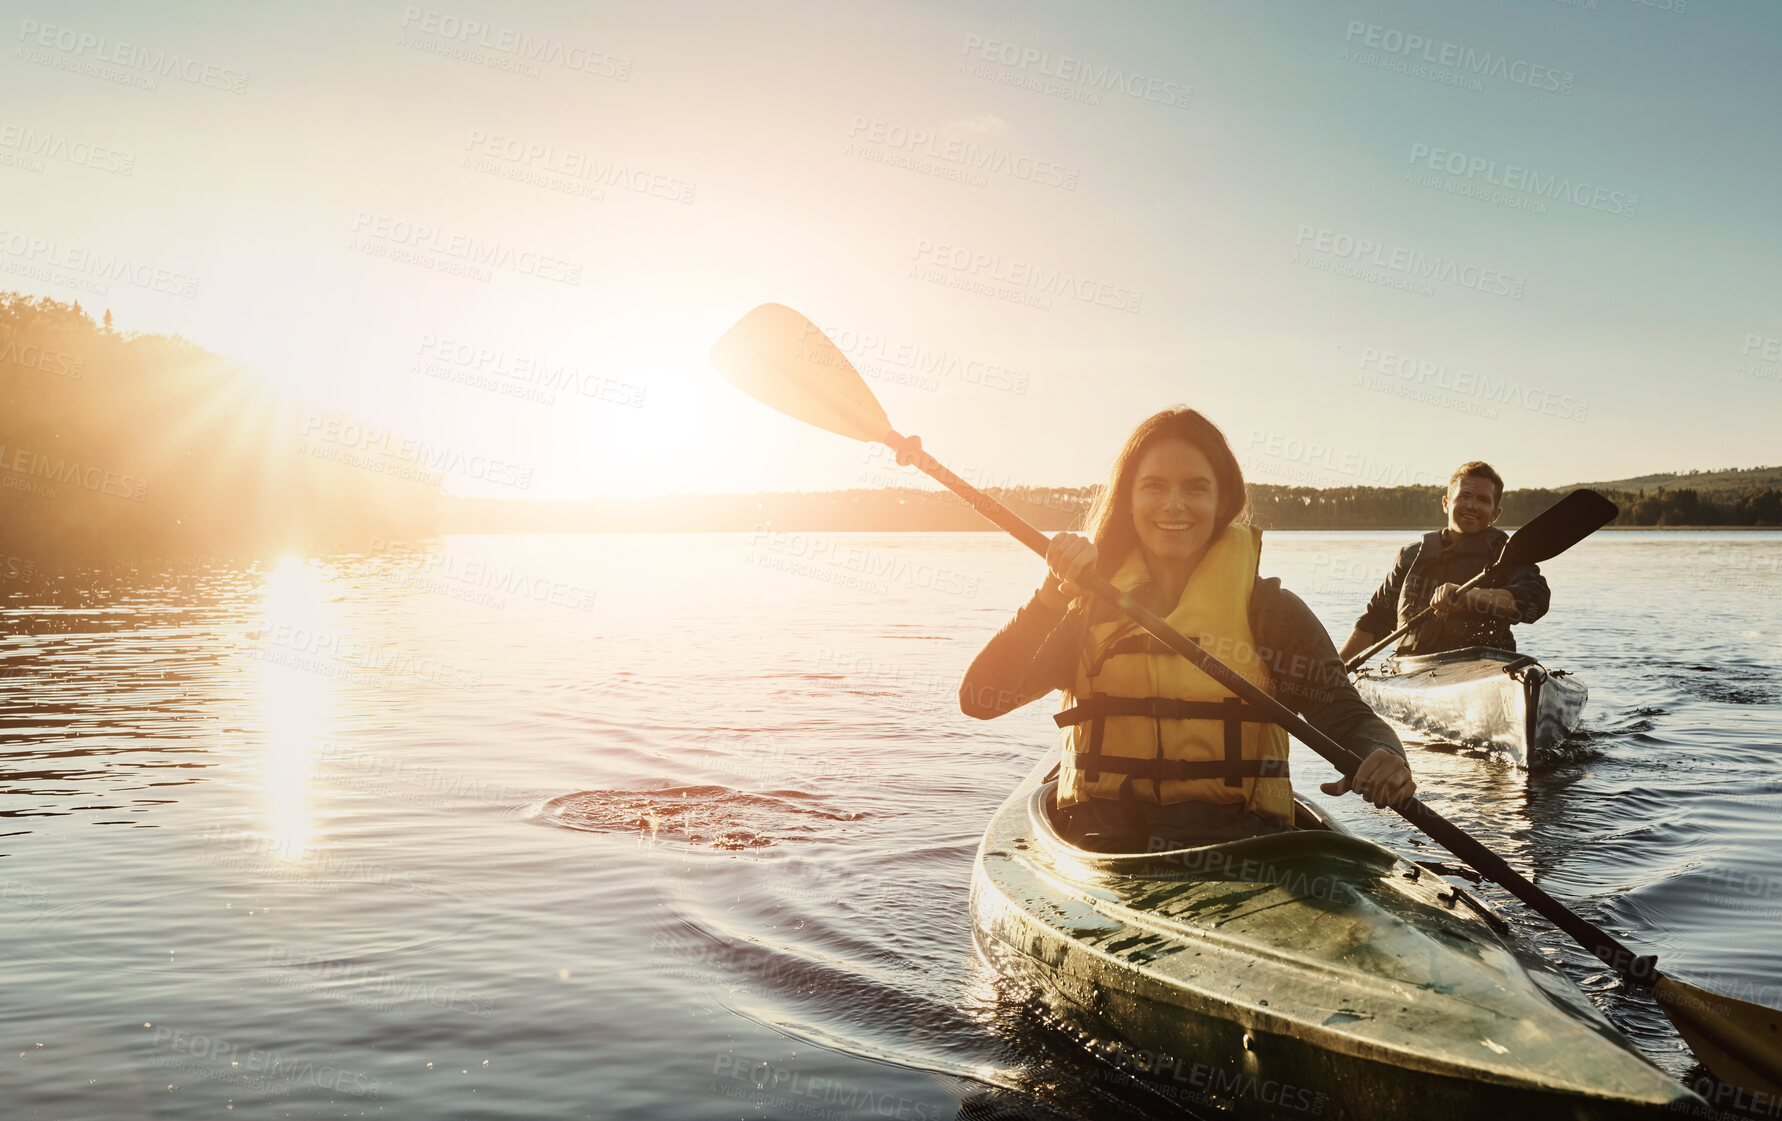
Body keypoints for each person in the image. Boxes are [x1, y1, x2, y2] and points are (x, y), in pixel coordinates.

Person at [958, 408, 1414, 853]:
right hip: (1099, 849)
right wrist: (1049, 599)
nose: (1173, 504)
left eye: (1195, 488)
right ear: (1129, 499)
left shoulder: (1270, 612)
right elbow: (981, 699)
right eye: (1153, 486)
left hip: (1246, 847)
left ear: (1222, 502)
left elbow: (1346, 715)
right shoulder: (1082, 610)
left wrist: (1385, 752)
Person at [1338, 461, 1551, 664]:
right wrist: (1335, 666)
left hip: (1485, 670)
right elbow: (1375, 619)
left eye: (1483, 500)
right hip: (1413, 671)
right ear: (1446, 503)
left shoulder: (1509, 555)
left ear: (1496, 513)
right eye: (1465, 496)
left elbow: (1535, 602)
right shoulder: (1412, 555)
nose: (1472, 505)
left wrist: (1469, 597)